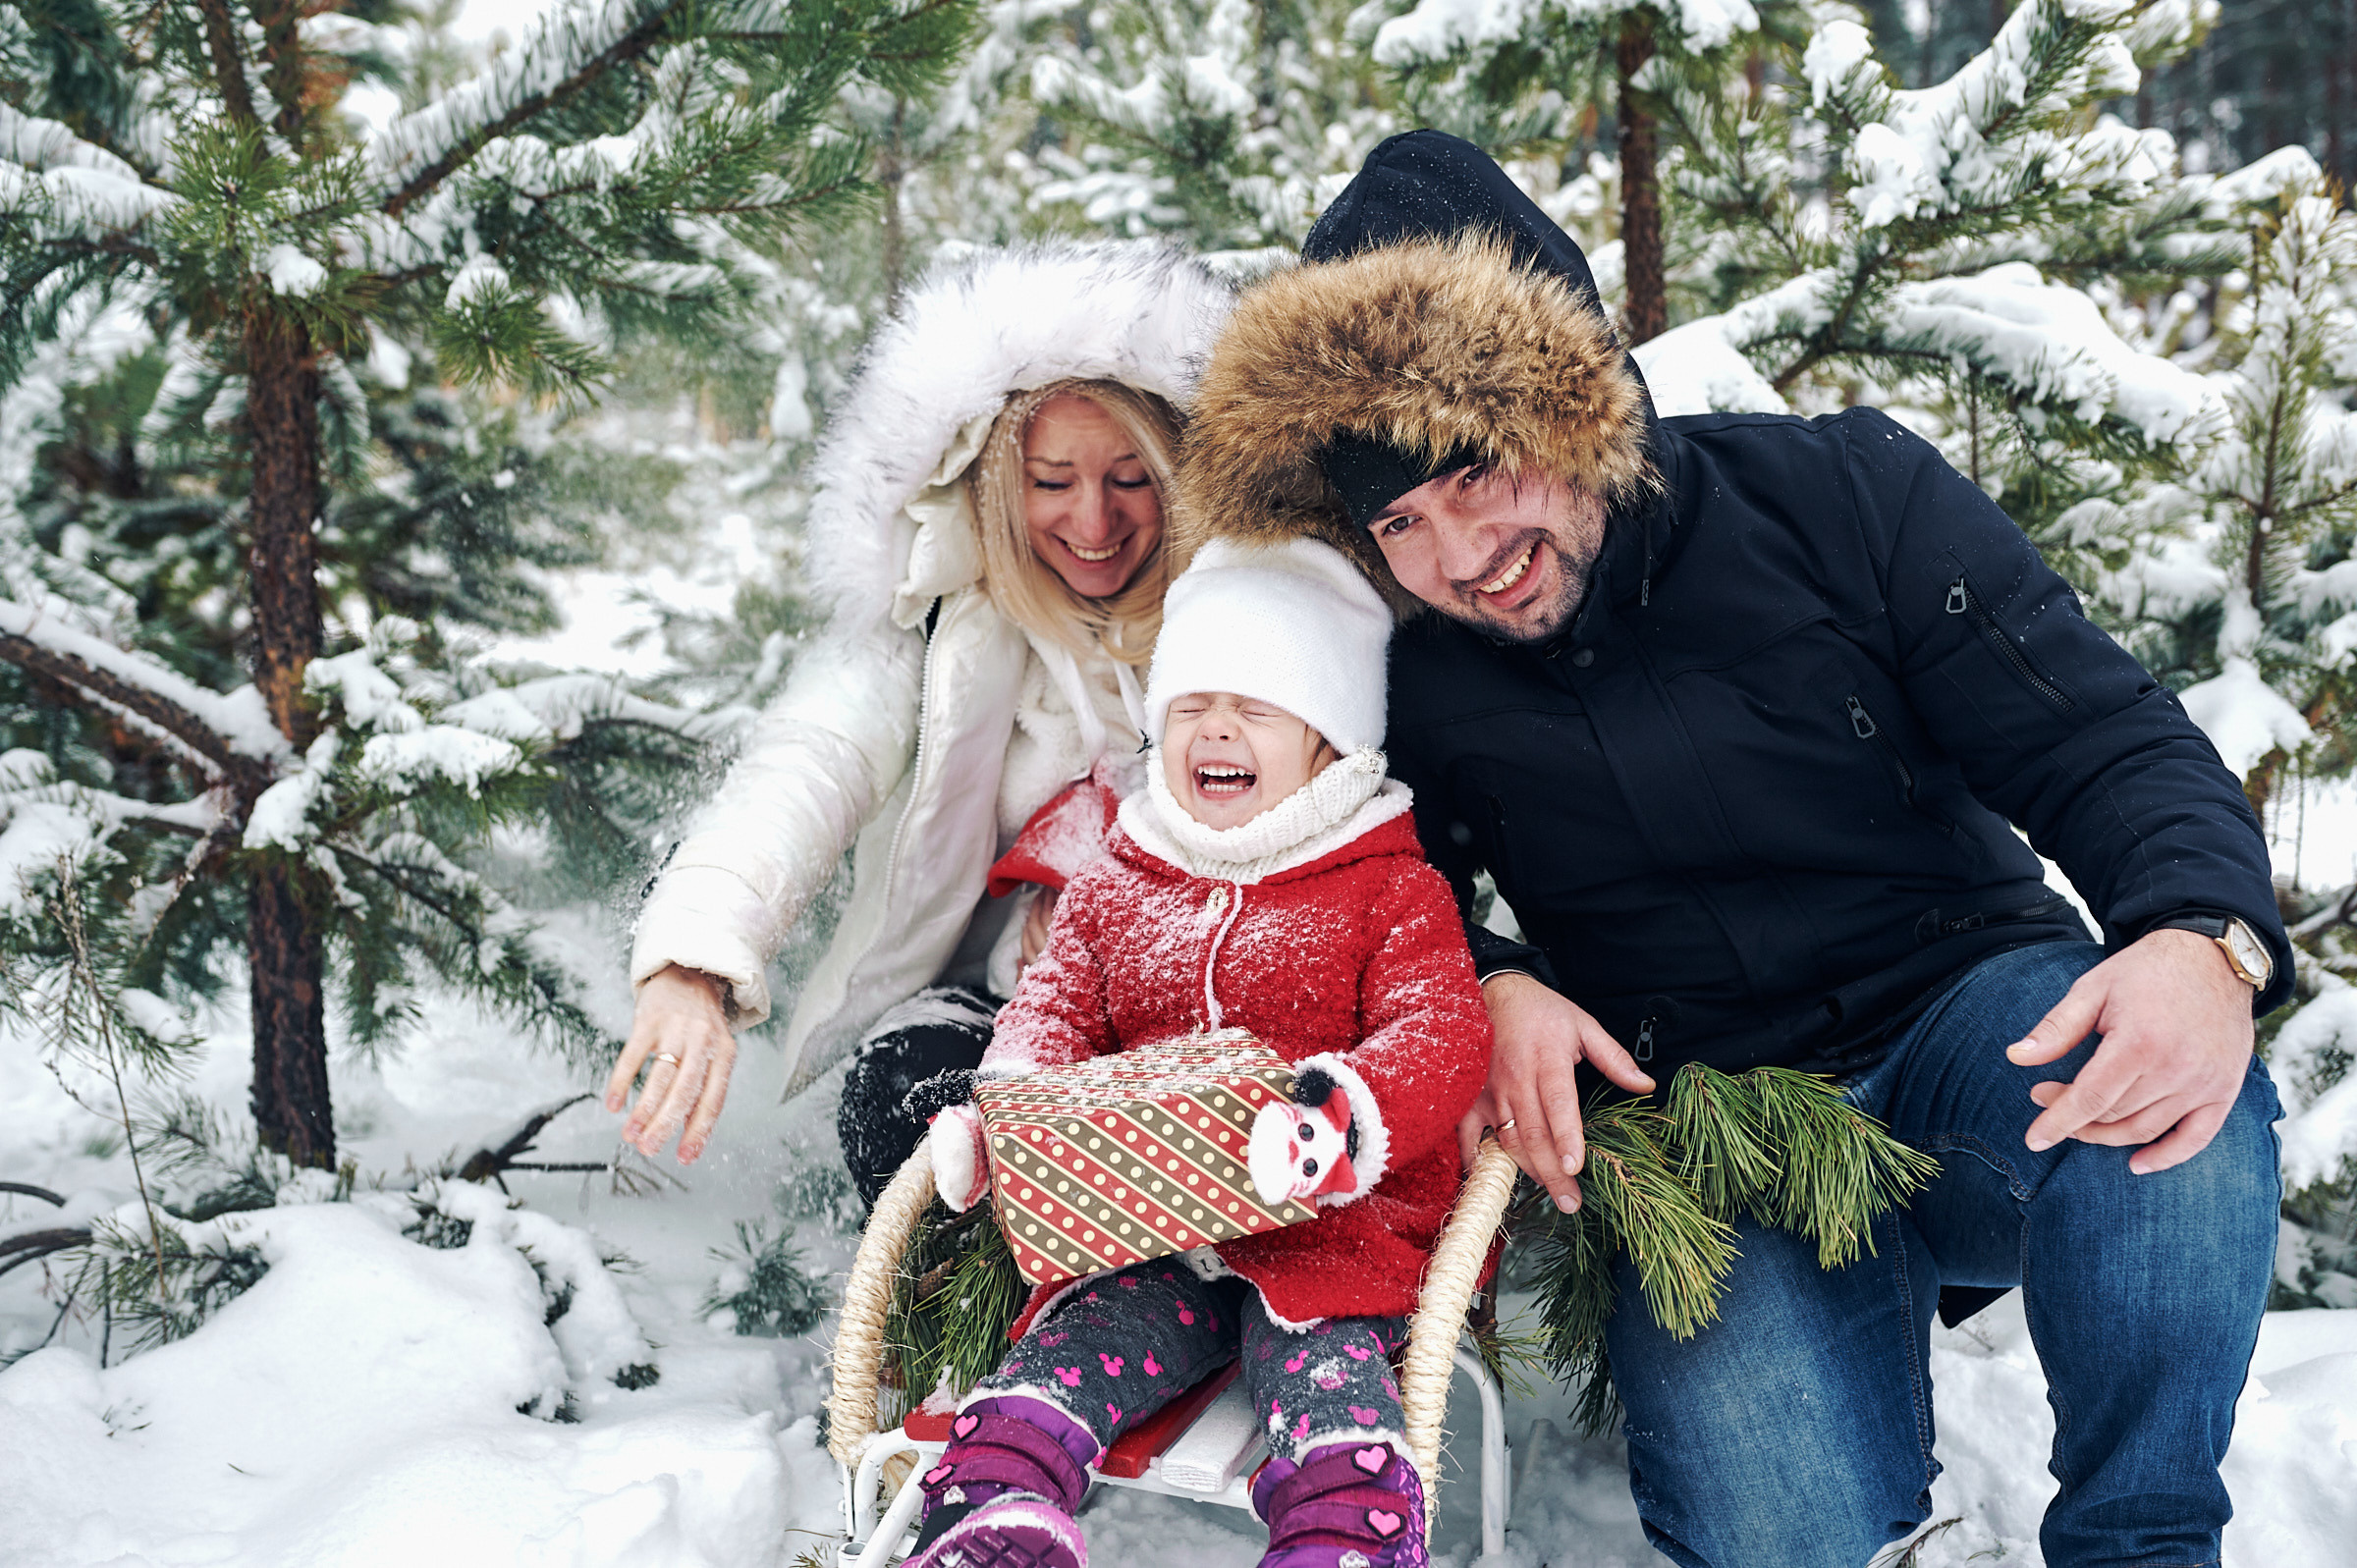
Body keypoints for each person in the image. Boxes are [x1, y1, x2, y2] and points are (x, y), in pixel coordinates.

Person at [1173, 131, 2289, 1568]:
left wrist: (2207, 935)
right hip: (1699, 1112)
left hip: (1970, 1028)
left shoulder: (1844, 497)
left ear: (1567, 398)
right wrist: (1492, 981)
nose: (1460, 554)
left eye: (1477, 472)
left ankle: (2140, 1539)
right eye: (1402, 518)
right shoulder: (1412, 666)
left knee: (2173, 1109)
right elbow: (1367, 883)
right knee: (1776, 1524)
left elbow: (2102, 738)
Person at [904, 537, 1492, 1568]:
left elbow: (1441, 1036)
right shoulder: (1121, 881)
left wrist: (1341, 1114)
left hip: (1330, 1242)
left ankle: (1340, 1534)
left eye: (1258, 704)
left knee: (1324, 1371)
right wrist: (1013, 1111)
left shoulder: (1389, 889)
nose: (1216, 724)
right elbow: (1052, 1011)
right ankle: (997, 1517)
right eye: (1190, 704)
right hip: (1147, 1225)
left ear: (1331, 740)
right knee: (1064, 1354)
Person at [607, 243, 1233, 1193]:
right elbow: (812, 757)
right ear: (994, 479)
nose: (1095, 524)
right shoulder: (937, 610)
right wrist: (696, 956)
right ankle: (952, 1331)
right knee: (908, 1090)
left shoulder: (1246, 615)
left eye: (1130, 478)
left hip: (1219, 1004)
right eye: (1053, 481)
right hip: (998, 1000)